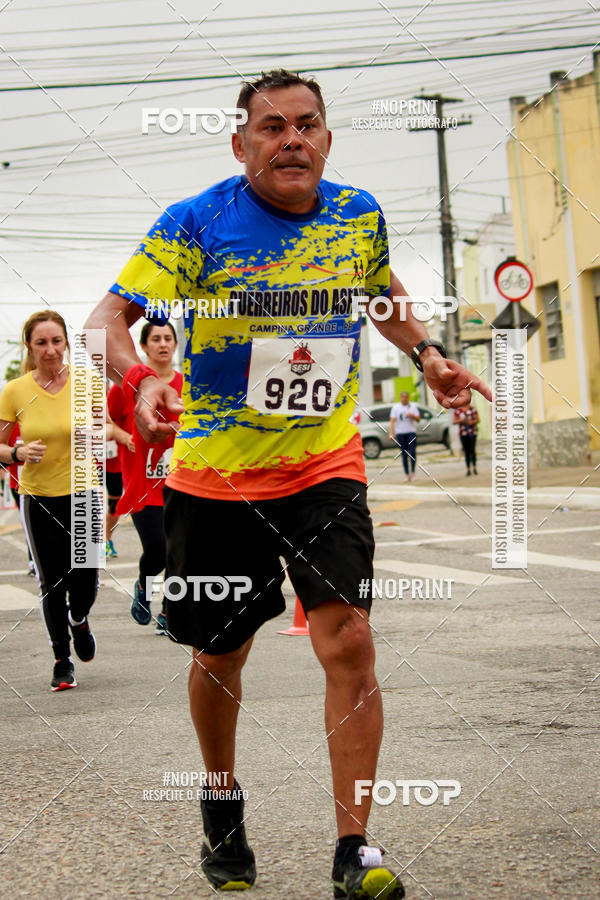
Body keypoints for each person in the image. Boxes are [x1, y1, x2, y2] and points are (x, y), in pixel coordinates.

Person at [86, 69, 491, 899]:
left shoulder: (358, 214)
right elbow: (107, 323)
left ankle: (355, 849)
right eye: (271, 128)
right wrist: (140, 383)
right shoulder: (196, 223)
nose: (291, 139)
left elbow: (384, 299)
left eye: (306, 124)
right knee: (220, 650)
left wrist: (430, 357)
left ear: (328, 139)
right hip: (215, 475)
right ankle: (223, 805)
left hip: (323, 465)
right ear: (242, 145)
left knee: (349, 638)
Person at [0, 311, 99, 691]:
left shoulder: (87, 384)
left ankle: (80, 619)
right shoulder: (15, 390)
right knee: (52, 582)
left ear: (66, 344)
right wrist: (18, 454)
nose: (50, 350)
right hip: (40, 497)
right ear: (30, 347)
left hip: (84, 492)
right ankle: (62, 658)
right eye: (41, 343)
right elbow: (2, 446)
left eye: (56, 341)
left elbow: (96, 436)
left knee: (86, 581)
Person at [108, 322, 182, 635]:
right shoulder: (127, 387)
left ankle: (169, 610)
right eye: (156, 339)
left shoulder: (186, 385)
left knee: (179, 549)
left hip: (179, 482)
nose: (163, 344)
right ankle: (143, 583)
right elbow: (109, 423)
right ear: (144, 346)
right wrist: (126, 436)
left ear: (175, 345)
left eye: (168, 338)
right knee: (156, 547)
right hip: (142, 483)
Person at [389, 391, 420, 482]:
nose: (404, 399)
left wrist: (412, 416)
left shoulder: (412, 406)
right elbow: (392, 421)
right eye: (403, 397)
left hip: (411, 432)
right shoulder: (396, 408)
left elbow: (418, 419)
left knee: (412, 452)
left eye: (406, 397)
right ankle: (406, 474)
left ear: (408, 398)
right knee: (404, 453)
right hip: (400, 433)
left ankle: (413, 472)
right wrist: (391, 433)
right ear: (400, 398)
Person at [453, 404, 479, 475]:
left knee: (472, 450)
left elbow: (477, 419)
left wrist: (471, 422)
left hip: (472, 433)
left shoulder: (472, 409)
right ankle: (468, 469)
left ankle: (474, 467)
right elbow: (454, 421)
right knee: (466, 451)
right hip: (463, 433)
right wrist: (460, 420)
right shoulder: (457, 410)